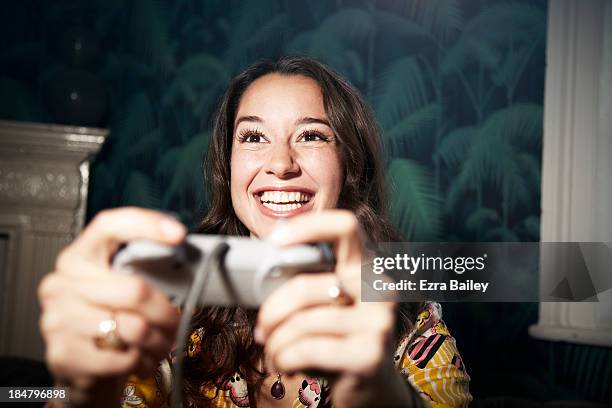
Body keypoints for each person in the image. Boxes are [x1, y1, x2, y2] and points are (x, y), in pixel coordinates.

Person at [38, 56, 471, 408]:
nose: (280, 164)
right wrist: (82, 396)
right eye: (253, 136)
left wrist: (375, 395)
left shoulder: (410, 318)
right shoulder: (171, 310)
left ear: (349, 166)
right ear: (228, 168)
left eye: (312, 136)